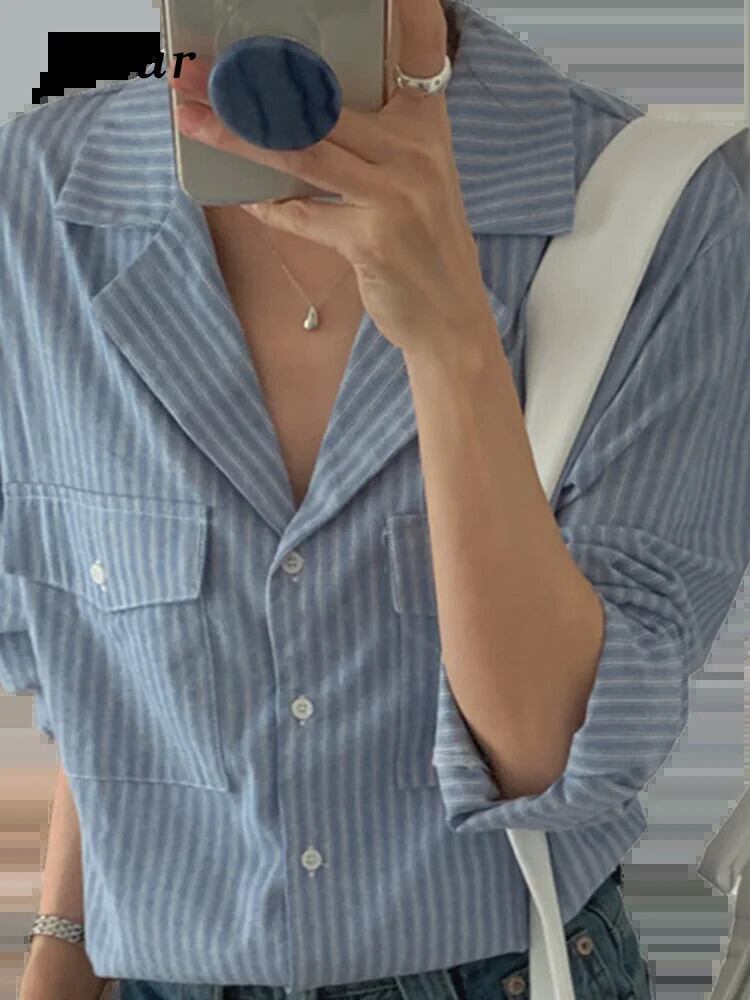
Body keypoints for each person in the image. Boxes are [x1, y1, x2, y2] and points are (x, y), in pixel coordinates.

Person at [4, 0, 750, 997]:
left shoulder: (654, 210)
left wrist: (450, 335)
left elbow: (550, 759)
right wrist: (56, 951)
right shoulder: (40, 198)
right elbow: (97, 672)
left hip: (502, 971)